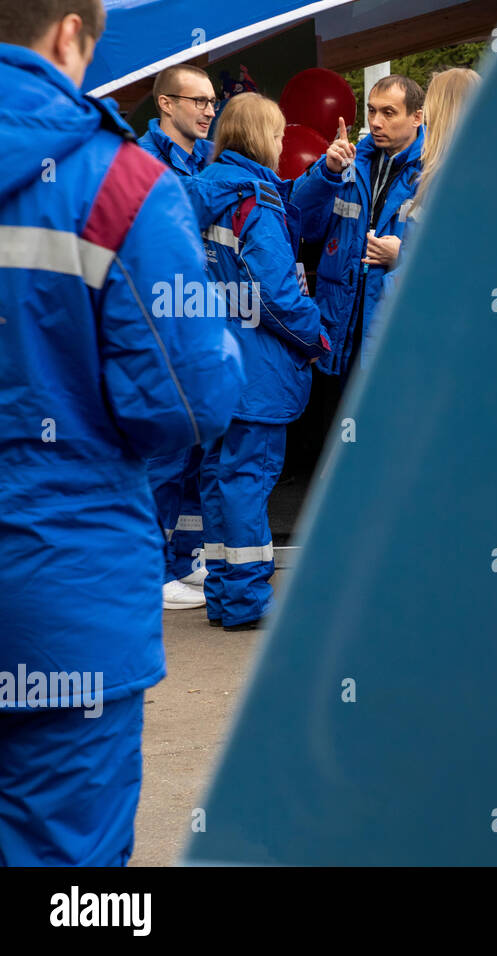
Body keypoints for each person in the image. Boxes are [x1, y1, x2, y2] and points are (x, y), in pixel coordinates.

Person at [0, 0, 242, 864]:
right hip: (62, 590)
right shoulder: (121, 184)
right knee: (73, 868)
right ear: (69, 32)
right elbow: (189, 400)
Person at [187, 93, 331, 631]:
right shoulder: (255, 202)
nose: (280, 145)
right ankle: (245, 601)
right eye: (276, 135)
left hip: (211, 364)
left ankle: (225, 594)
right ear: (258, 138)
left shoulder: (203, 192)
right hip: (258, 370)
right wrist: (317, 334)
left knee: (220, 480)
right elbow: (274, 295)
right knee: (248, 480)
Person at [138, 63, 220, 609]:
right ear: (166, 104)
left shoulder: (204, 157)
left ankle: (181, 558)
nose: (210, 110)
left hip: (198, 324)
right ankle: (146, 576)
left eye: (213, 101)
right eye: (199, 101)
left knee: (191, 453)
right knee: (161, 457)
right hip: (159, 326)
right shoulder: (141, 162)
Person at [291, 74, 425, 384]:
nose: (376, 122)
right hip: (338, 331)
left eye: (388, 113)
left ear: (416, 117)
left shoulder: (433, 171)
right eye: (372, 111)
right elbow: (302, 223)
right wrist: (326, 172)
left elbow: (454, 256)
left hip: (394, 336)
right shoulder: (346, 162)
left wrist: (402, 255)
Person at [365, 67, 481, 370]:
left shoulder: (454, 177)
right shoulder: (468, 170)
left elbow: (454, 266)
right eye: (372, 111)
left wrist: (399, 254)